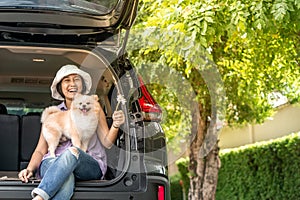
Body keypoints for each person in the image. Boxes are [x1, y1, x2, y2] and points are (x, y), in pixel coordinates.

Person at [18, 64, 125, 200]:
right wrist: (29, 169)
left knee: (72, 152)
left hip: (88, 164)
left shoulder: (94, 107)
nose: (72, 84)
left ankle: (40, 197)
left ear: (83, 85)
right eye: (66, 80)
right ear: (60, 87)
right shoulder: (53, 114)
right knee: (65, 175)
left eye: (76, 79)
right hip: (53, 162)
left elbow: (107, 143)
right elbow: (40, 150)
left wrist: (115, 125)